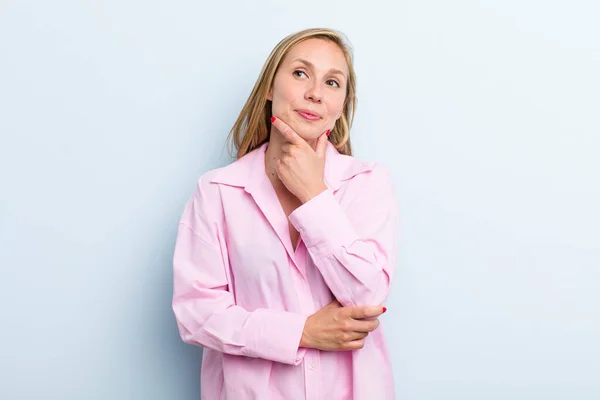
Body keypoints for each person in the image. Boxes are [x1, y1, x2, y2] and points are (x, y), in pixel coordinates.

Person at [172, 27, 399, 400]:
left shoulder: (367, 184)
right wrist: (303, 332)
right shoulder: (217, 192)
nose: (314, 93)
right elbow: (196, 315)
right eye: (299, 73)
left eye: (332, 82)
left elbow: (367, 297)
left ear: (341, 104)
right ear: (269, 87)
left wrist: (313, 195)